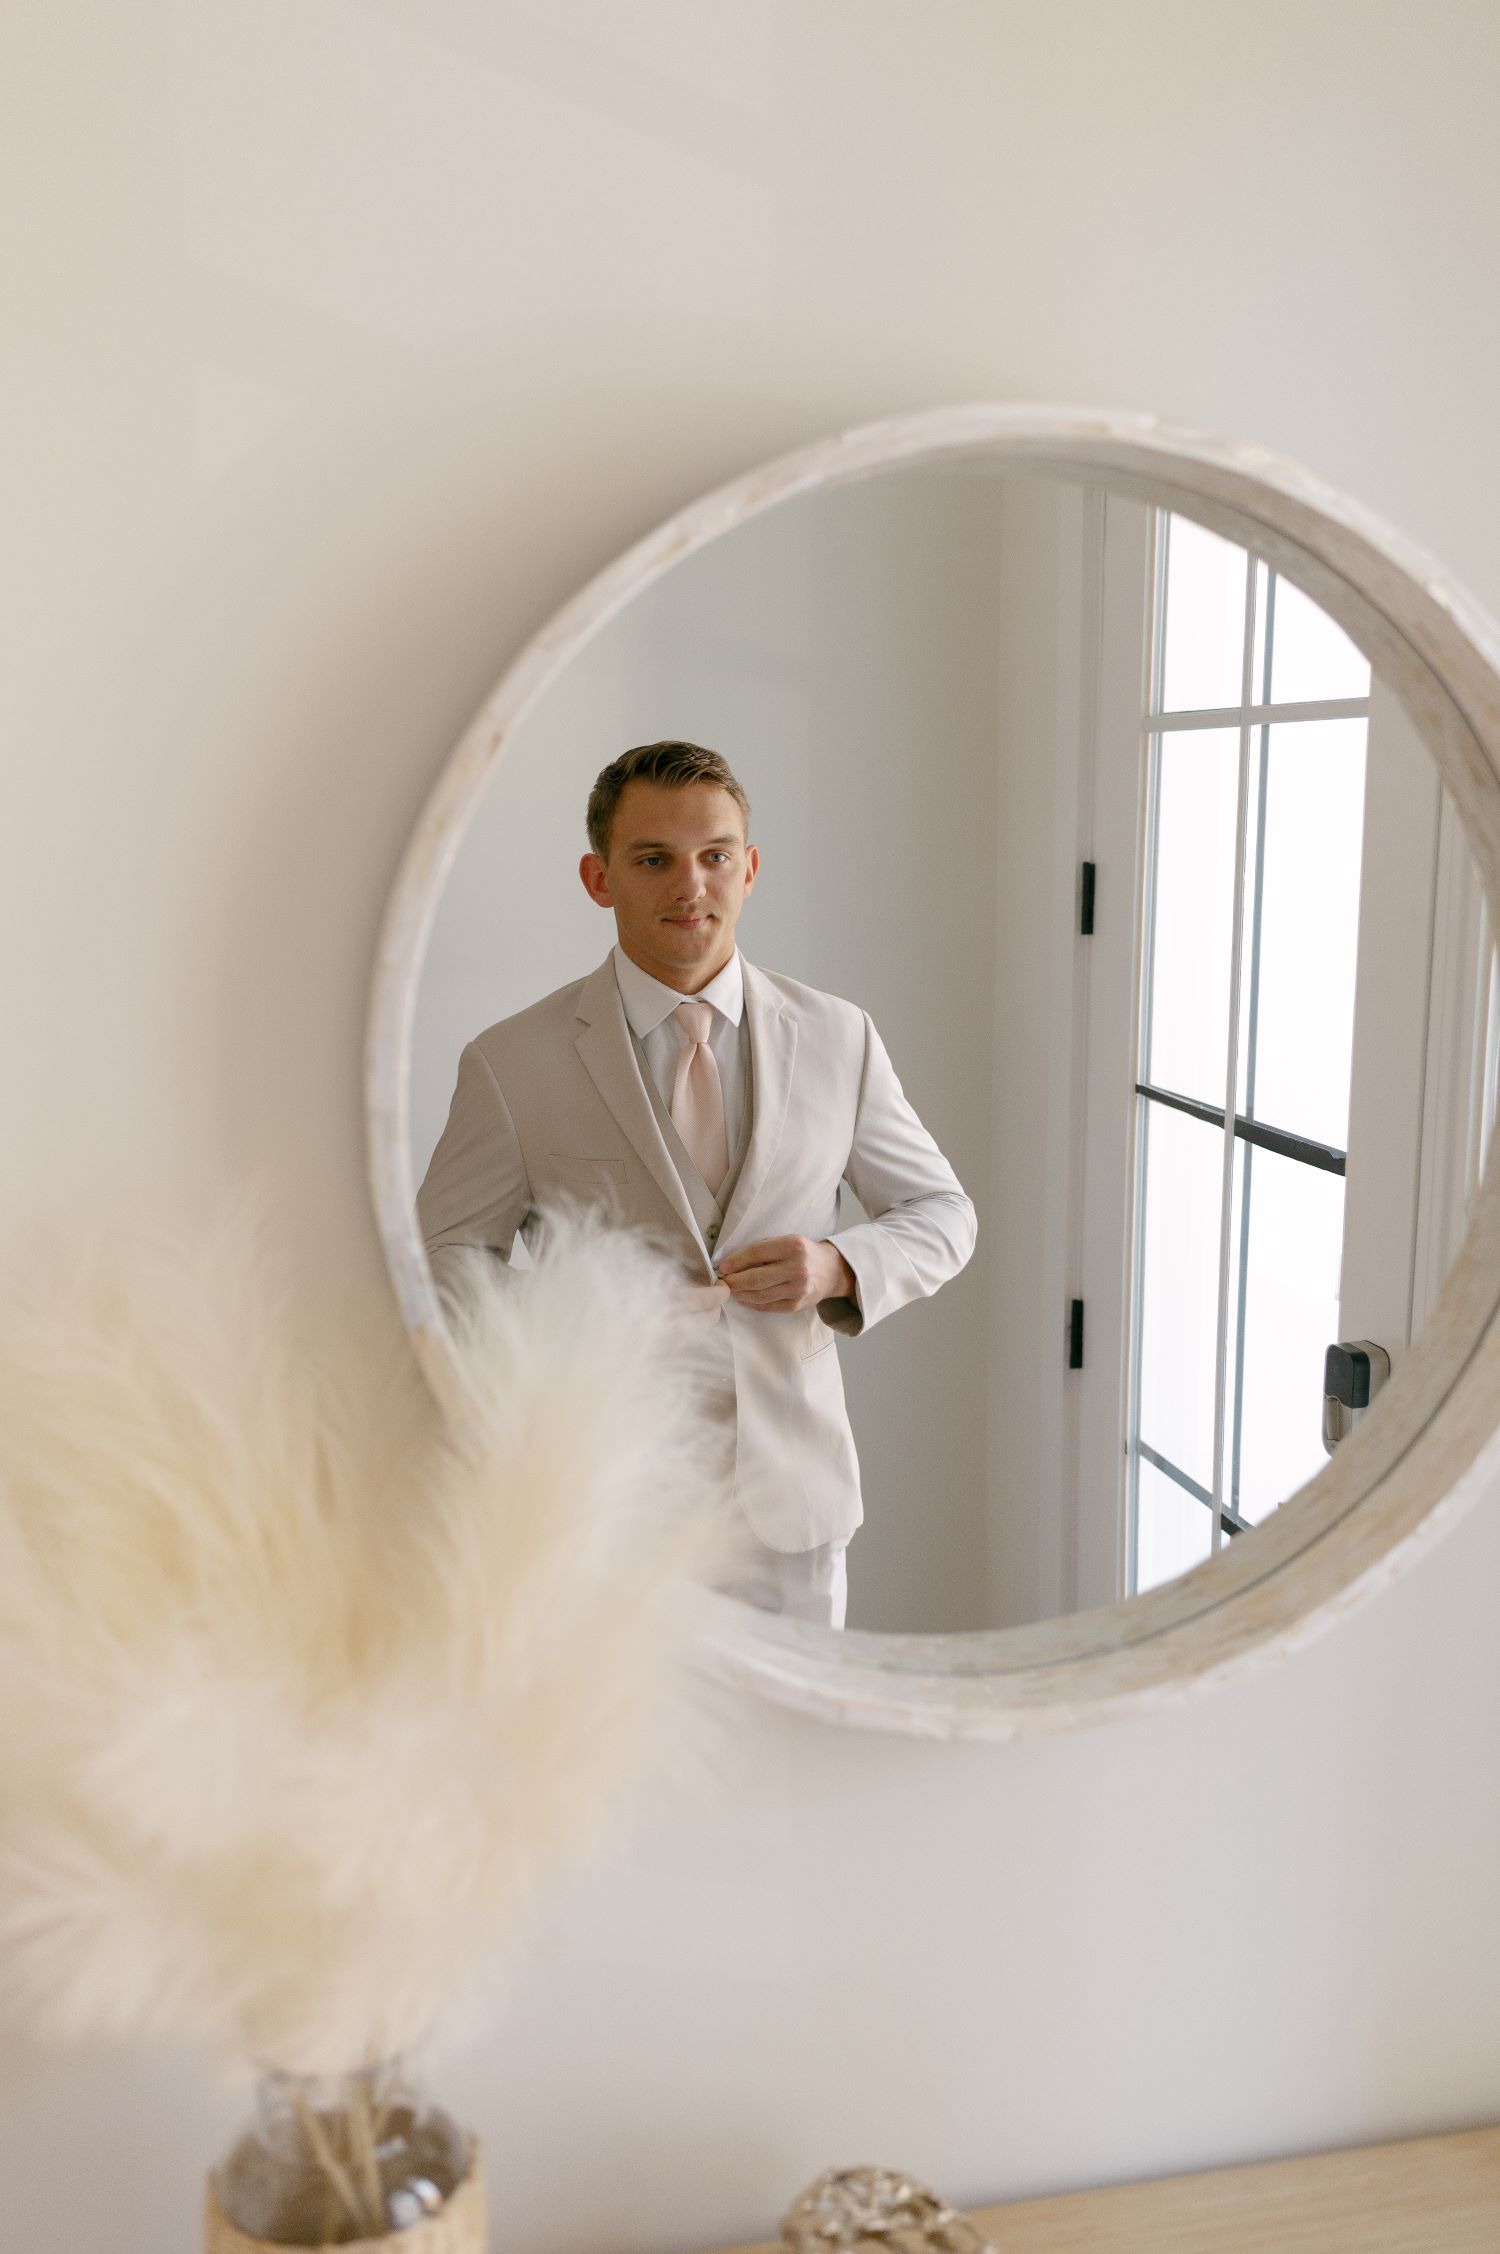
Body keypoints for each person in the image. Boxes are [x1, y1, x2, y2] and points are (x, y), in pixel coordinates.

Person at [416, 740, 976, 1629]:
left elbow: (944, 1215)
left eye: (716, 856)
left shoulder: (840, 1037)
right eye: (653, 860)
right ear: (600, 879)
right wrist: (586, 1306)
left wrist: (837, 1266)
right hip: (598, 1510)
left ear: (748, 869)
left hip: (793, 1509)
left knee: (793, 1765)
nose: (692, 886)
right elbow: (441, 1260)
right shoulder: (511, 1062)